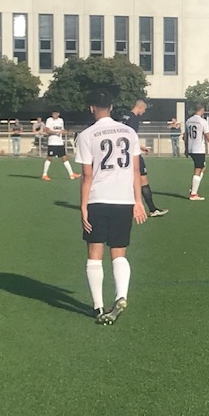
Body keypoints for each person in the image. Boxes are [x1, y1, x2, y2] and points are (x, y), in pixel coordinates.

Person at [75, 88, 147, 325]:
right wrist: (138, 201)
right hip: (123, 199)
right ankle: (121, 296)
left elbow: (87, 175)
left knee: (94, 253)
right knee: (119, 251)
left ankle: (98, 306)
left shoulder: (86, 135)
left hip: (98, 198)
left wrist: (83, 206)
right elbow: (135, 170)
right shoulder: (129, 132)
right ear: (112, 107)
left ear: (91, 108)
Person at [121, 99, 168, 217]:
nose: (144, 112)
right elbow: (131, 137)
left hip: (124, 153)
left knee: (129, 181)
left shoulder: (125, 116)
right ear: (140, 107)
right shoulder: (134, 119)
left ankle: (130, 208)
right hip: (132, 154)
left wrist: (141, 147)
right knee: (143, 180)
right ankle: (152, 209)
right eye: (144, 109)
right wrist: (138, 149)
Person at [186, 102, 209, 200]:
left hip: (191, 148)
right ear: (202, 110)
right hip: (198, 149)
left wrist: (186, 148)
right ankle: (193, 194)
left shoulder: (189, 121)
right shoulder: (202, 121)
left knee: (203, 167)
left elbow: (186, 136)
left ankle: (193, 188)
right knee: (198, 169)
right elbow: (207, 135)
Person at [41, 110, 80, 180]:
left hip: (60, 142)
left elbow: (62, 130)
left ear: (58, 114)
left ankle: (71, 174)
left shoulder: (60, 120)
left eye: (55, 114)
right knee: (49, 158)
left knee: (64, 158)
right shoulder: (49, 120)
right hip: (52, 142)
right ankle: (44, 174)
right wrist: (56, 132)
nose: (54, 115)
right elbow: (47, 130)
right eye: (53, 113)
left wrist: (67, 132)